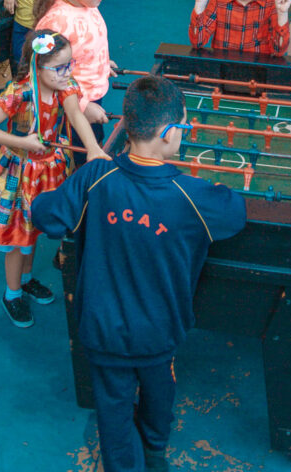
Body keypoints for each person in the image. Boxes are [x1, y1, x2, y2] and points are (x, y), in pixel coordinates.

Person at [31, 74, 247, 472]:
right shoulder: (192, 195)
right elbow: (235, 211)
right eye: (183, 127)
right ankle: (155, 452)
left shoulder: (95, 177)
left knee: (112, 407)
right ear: (168, 133)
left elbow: (46, 215)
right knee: (159, 392)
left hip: (102, 329)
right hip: (159, 332)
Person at [0, 30, 107, 328]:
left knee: (33, 230)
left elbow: (75, 114)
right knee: (17, 237)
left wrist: (93, 148)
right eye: (60, 67)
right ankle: (12, 294)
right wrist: (23, 142)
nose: (67, 72)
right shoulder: (19, 93)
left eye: (70, 64)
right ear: (36, 66)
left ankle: (27, 279)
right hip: (18, 172)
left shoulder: (65, 85)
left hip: (48, 169)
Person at [34, 0, 117, 158]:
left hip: (92, 95)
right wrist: (82, 105)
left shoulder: (87, 4)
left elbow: (85, 45)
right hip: (70, 108)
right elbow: (43, 74)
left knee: (97, 144)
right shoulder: (56, 22)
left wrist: (101, 61)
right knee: (79, 158)